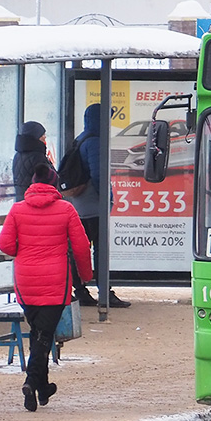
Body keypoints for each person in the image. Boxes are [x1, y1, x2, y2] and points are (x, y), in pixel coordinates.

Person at [0, 164, 93, 412]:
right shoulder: (66, 209)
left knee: (39, 334)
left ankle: (43, 387)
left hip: (26, 282)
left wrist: (26, 252)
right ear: (54, 184)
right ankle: (30, 382)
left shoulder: (17, 210)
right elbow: (81, 247)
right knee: (43, 336)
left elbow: (5, 244)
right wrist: (85, 276)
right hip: (55, 282)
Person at [67, 103, 130, 308]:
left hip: (80, 205)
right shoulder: (95, 142)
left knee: (80, 249)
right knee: (100, 250)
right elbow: (99, 174)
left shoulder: (81, 139)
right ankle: (105, 293)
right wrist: (108, 199)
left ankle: (81, 290)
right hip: (93, 206)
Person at [12, 121, 52, 201]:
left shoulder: (17, 155)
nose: (45, 137)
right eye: (42, 135)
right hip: (36, 202)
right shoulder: (38, 157)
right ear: (35, 137)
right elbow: (49, 180)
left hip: (22, 201)